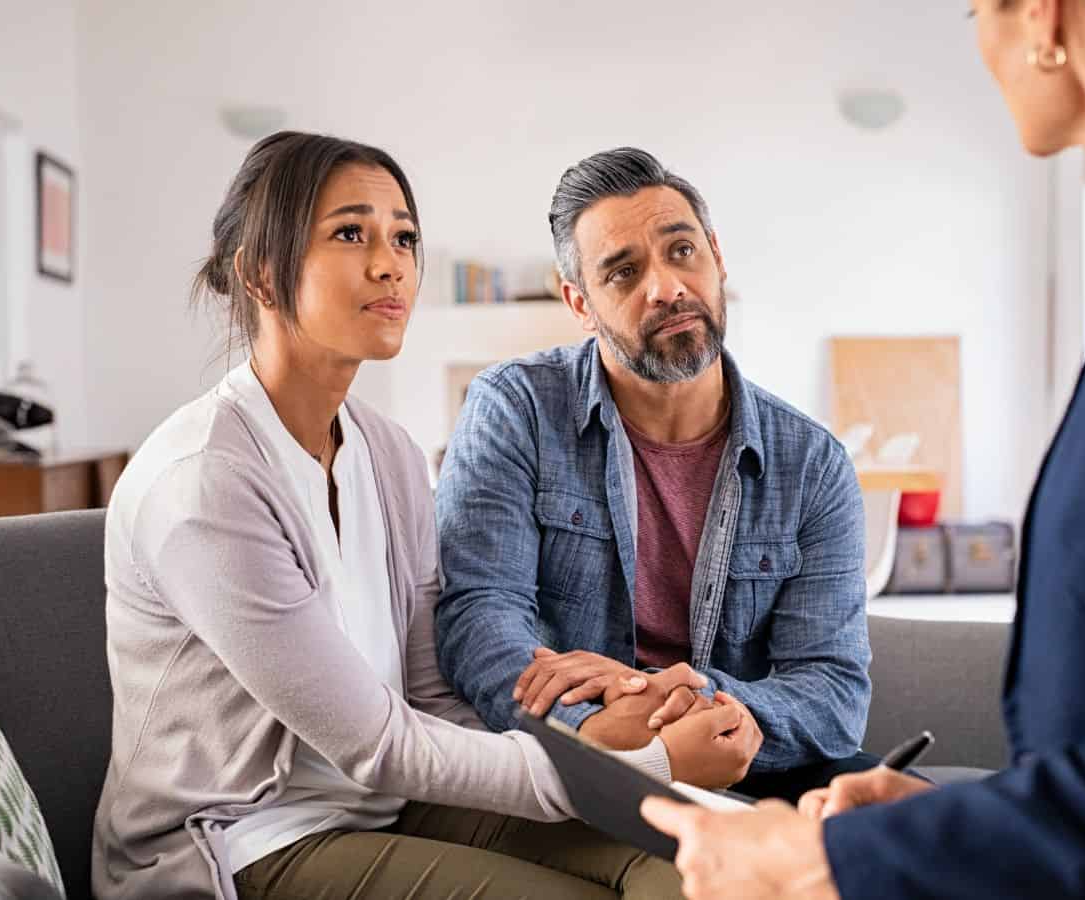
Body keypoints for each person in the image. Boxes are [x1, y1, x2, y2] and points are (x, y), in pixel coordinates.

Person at [640, 2, 1085, 897]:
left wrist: (822, 860)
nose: (980, 43)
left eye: (978, 9)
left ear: (1046, 16)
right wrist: (940, 825)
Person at [90, 131, 751, 900]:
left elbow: (431, 697)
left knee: (691, 867)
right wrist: (639, 768)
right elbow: (377, 744)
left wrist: (610, 737)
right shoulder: (205, 481)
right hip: (248, 839)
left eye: (404, 236)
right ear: (260, 273)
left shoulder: (391, 453)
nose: (390, 263)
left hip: (394, 806)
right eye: (350, 234)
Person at [435, 147, 874, 803]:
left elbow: (832, 688)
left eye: (682, 252)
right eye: (622, 272)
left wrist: (688, 702)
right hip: (584, 759)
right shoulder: (515, 409)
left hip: (748, 755)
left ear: (717, 256)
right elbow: (481, 618)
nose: (667, 287)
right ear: (579, 303)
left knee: (931, 831)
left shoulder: (812, 464)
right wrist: (605, 734)